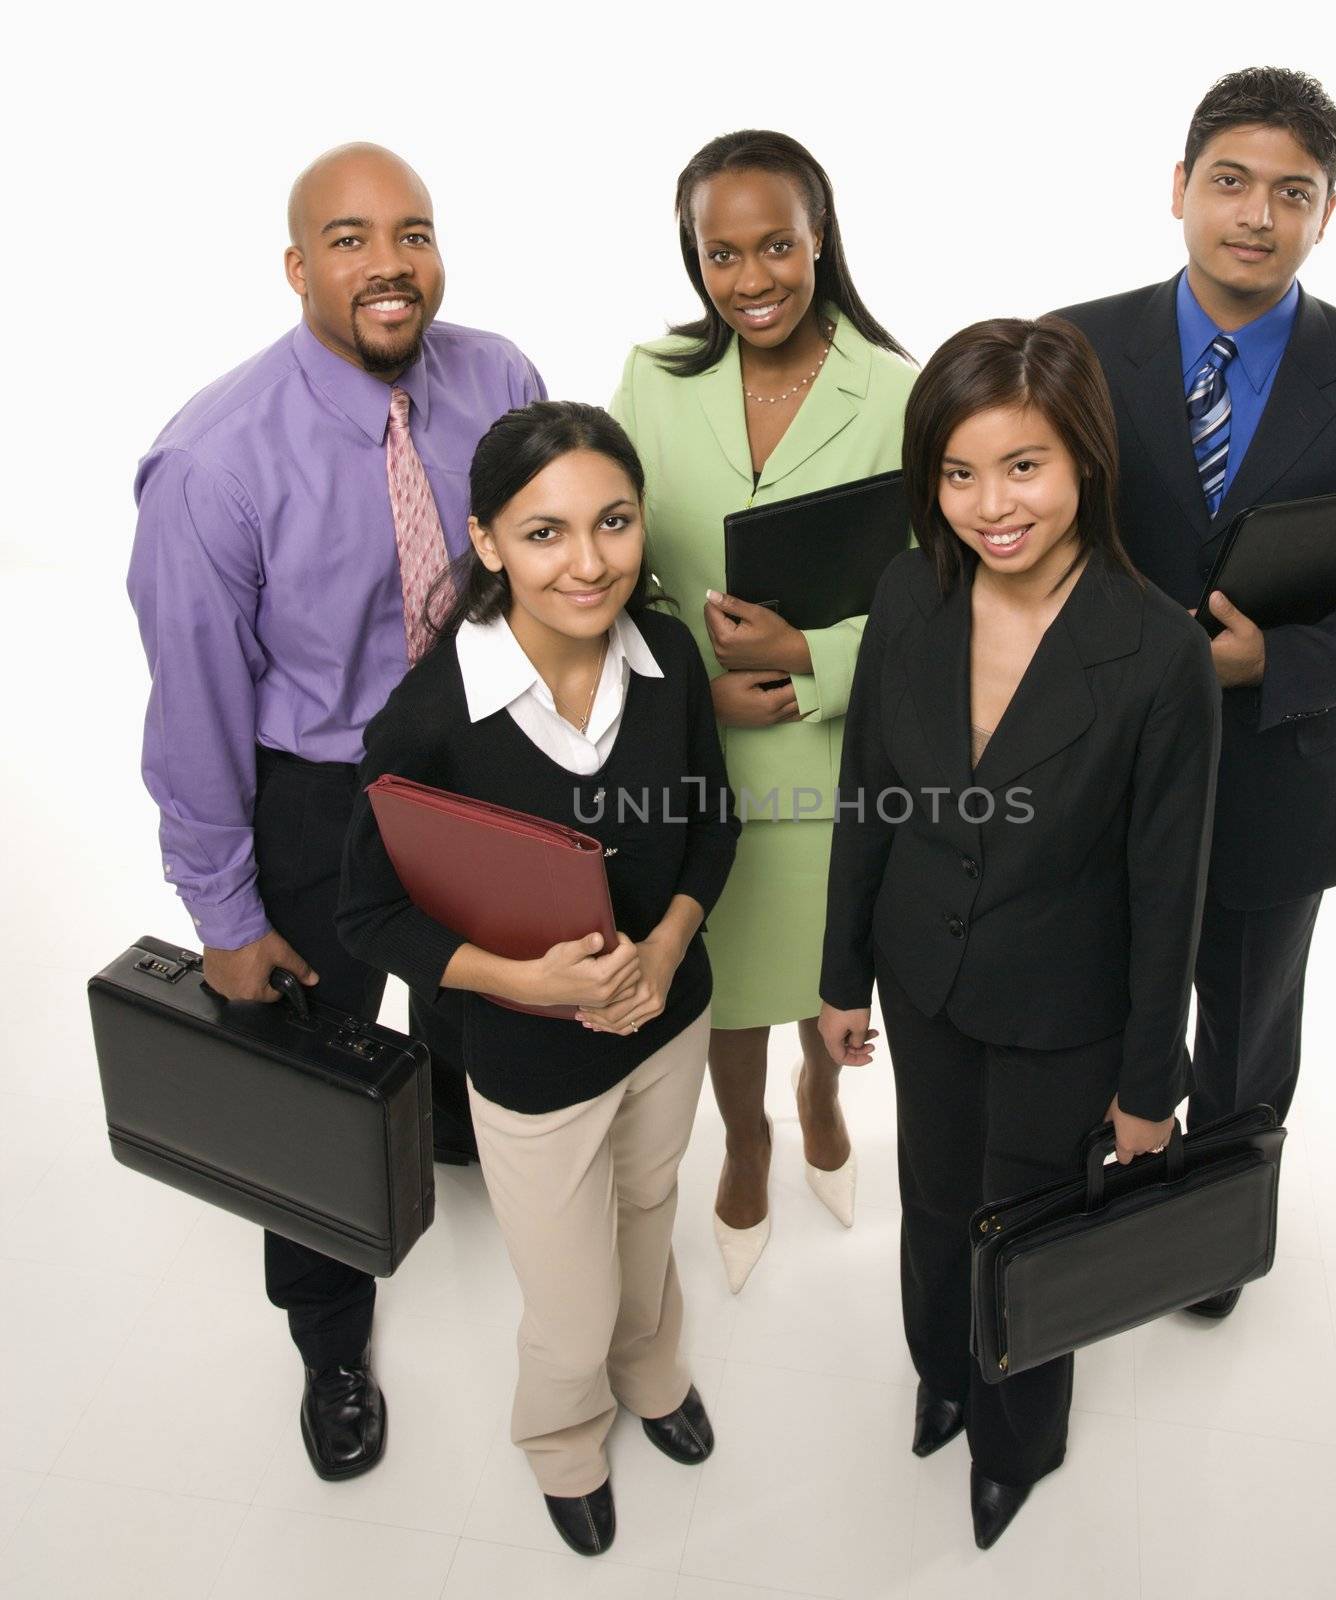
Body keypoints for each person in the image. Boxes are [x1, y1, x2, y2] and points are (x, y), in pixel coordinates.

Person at [126, 143, 546, 1479]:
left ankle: (447, 1118)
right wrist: (224, 916)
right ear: (298, 267)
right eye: (351, 239)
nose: (390, 264)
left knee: (466, 988)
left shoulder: (500, 378)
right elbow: (191, 712)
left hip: (472, 750)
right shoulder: (212, 463)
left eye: (412, 233)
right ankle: (328, 1340)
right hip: (321, 795)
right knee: (310, 1076)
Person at [1052, 67, 1336, 1317]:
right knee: (1087, 1010)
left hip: (1274, 777)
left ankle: (1206, 1247)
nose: (1256, 215)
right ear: (1178, 189)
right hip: (1091, 775)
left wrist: (1277, 664)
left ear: (1326, 214)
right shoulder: (1071, 346)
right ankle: (1082, 1211)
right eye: (1230, 182)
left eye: (1290, 193)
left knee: (1243, 1043)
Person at [819, 317, 1220, 1549]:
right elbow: (868, 791)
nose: (990, 505)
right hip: (923, 980)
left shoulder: (1158, 656)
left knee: (1029, 1228)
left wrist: (1151, 1086)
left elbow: (1170, 897)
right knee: (934, 1197)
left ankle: (1017, 1437)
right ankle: (942, 1371)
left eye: (1023, 466)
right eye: (958, 472)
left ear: (1085, 461)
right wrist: (839, 979)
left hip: (1063, 1009)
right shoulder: (908, 590)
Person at [337, 402, 739, 1558]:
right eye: (547, 532)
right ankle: (563, 1435)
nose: (590, 560)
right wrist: (519, 978)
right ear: (487, 541)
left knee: (651, 1215)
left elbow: (713, 823)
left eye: (613, 522)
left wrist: (664, 946)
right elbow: (371, 911)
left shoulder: (664, 654)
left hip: (665, 1021)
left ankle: (653, 1374)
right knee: (566, 1300)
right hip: (531, 1057)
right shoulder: (430, 716)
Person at [610, 129, 916, 1292]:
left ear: (820, 238)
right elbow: (615, 557)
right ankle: (743, 1137)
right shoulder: (652, 376)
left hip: (832, 754)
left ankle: (822, 1089)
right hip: (699, 757)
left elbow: (941, 590)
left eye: (776, 245)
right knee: (729, 983)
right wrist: (691, 673)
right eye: (720, 253)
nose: (751, 280)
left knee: (826, 964)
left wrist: (815, 655)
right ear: (693, 258)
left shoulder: (895, 390)